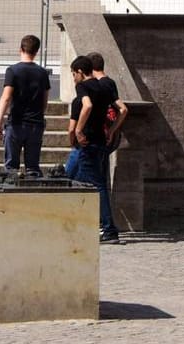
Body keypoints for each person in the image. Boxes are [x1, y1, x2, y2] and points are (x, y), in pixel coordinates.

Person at [65, 54, 126, 244]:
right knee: (88, 182)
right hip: (100, 141)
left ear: (81, 72)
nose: (73, 78)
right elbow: (123, 109)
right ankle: (96, 226)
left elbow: (87, 105)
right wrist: (112, 130)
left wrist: (78, 129)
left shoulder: (83, 86)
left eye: (73, 74)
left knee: (91, 185)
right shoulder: (104, 86)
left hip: (88, 142)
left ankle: (108, 229)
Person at [0, 34, 50, 173]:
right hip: (35, 124)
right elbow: (45, 100)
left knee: (11, 168)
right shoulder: (42, 73)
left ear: (20, 49)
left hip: (16, 123)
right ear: (36, 52)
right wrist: (40, 115)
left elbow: (6, 97)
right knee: (33, 168)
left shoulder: (13, 71)